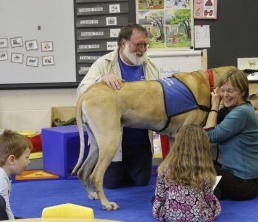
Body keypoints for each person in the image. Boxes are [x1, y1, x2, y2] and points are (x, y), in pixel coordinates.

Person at [77, 23, 160, 189]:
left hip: (140, 141)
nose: (143, 49)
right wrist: (100, 79)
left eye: (145, 45)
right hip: (113, 142)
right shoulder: (103, 63)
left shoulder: (151, 66)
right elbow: (81, 92)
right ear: (123, 43)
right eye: (138, 44)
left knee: (141, 182)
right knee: (113, 184)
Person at [204, 69, 258, 200]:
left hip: (244, 184)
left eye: (230, 90)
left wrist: (214, 105)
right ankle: (214, 192)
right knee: (200, 161)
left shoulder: (241, 112)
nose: (225, 95)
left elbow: (210, 136)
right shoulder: (242, 109)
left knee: (195, 165)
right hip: (243, 179)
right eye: (222, 90)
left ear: (243, 92)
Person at [152, 124, 221, 221]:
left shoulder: (165, 168)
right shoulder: (203, 171)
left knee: (157, 199)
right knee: (216, 194)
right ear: (203, 147)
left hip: (169, 216)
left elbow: (160, 196)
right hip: (199, 217)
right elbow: (208, 197)